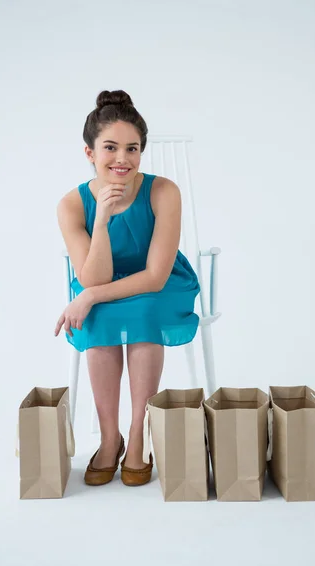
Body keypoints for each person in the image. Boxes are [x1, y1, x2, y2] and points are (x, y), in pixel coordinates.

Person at [54, 89, 200, 487]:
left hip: (161, 282)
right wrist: (100, 220)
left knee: (143, 311)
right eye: (111, 148)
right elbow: (93, 276)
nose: (123, 159)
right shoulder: (71, 204)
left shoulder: (163, 191)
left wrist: (88, 297)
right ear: (90, 153)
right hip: (100, 279)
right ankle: (108, 438)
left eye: (133, 148)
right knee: (98, 319)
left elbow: (154, 276)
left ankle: (137, 437)